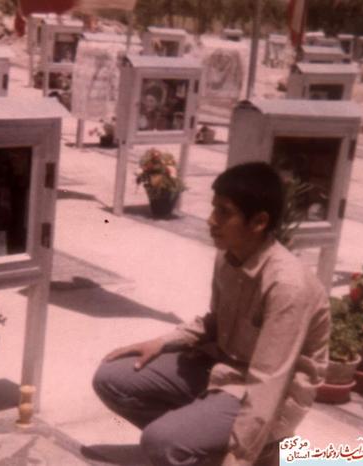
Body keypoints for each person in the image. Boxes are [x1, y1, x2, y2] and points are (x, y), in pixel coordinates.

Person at [93, 162, 330, 466]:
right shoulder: (229, 257)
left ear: (258, 222)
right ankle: (203, 440)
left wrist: (240, 455)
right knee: (111, 378)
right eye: (213, 208)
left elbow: (269, 381)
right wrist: (162, 342)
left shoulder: (287, 285)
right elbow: (215, 323)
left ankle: (256, 448)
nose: (211, 220)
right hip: (222, 369)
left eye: (224, 212)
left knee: (160, 443)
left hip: (266, 394)